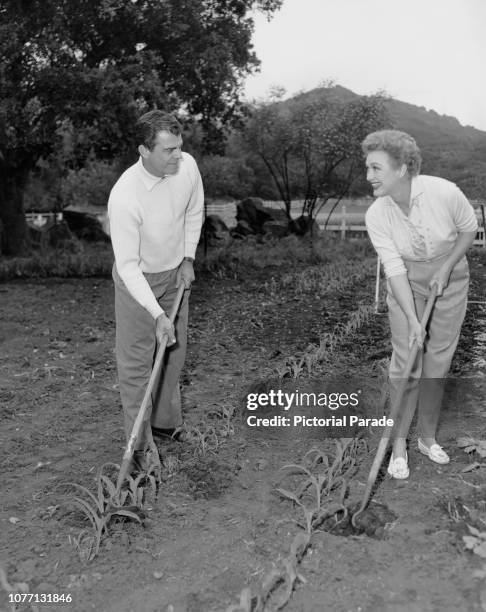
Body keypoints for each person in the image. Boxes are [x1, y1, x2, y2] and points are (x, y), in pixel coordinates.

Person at [363, 129, 478, 479]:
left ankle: (426, 438)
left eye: (375, 168)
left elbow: (468, 228)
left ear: (401, 168)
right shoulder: (377, 214)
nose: (368, 177)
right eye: (367, 168)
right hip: (408, 282)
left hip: (451, 276)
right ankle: (399, 444)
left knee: (437, 361)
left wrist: (445, 267)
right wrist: (413, 319)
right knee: (405, 362)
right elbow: (394, 269)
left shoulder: (443, 192)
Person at [108, 110, 204, 470]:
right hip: (139, 283)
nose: (178, 156)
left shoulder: (187, 167)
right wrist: (158, 314)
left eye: (179, 147)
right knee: (136, 366)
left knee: (173, 354)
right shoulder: (125, 197)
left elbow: (194, 211)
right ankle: (140, 446)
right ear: (144, 150)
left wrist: (188, 259)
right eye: (168, 150)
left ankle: (165, 424)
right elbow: (128, 266)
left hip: (176, 272)